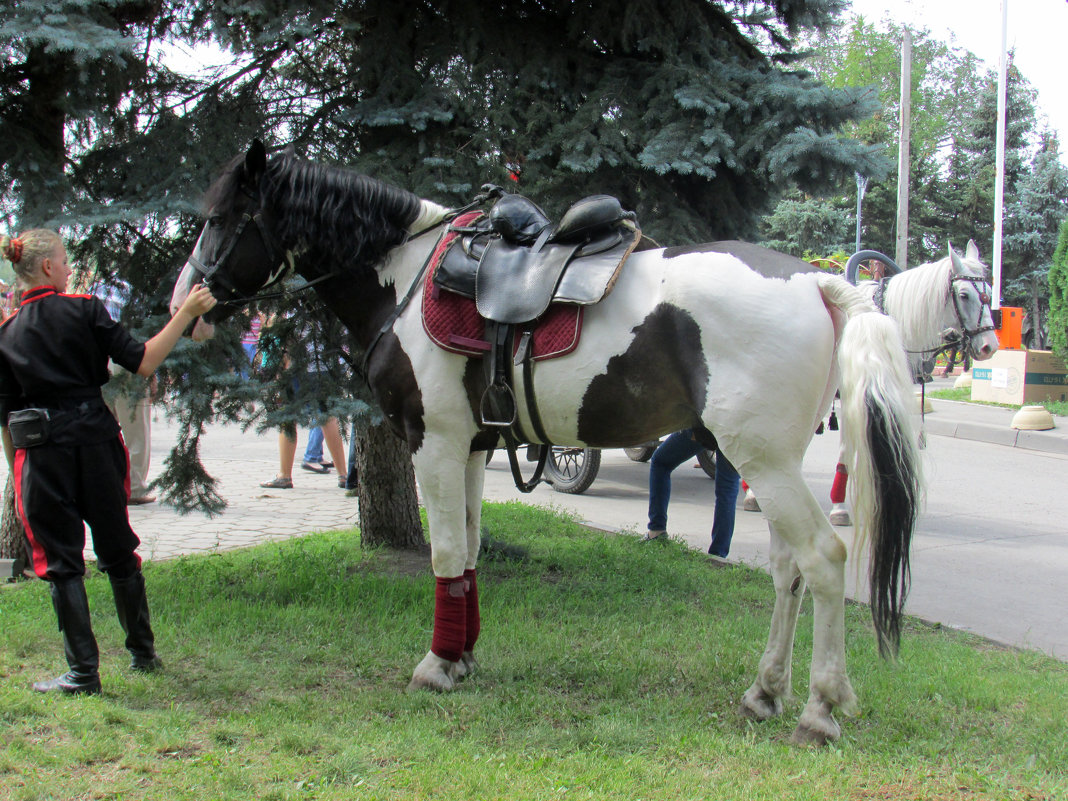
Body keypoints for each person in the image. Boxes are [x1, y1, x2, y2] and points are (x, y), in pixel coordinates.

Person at [0, 229, 217, 695]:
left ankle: (82, 673)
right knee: (117, 547)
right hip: (97, 445)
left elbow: (5, 417)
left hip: (40, 457)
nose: (68, 267)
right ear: (46, 268)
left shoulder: (7, 332)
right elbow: (145, 360)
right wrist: (187, 312)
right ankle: (143, 653)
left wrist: (17, 476)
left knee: (61, 562)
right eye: (63, 260)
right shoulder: (85, 310)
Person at [644, 429, 741, 558]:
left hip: (708, 426)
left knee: (660, 462)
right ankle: (718, 554)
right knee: (727, 488)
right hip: (737, 432)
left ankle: (656, 530)